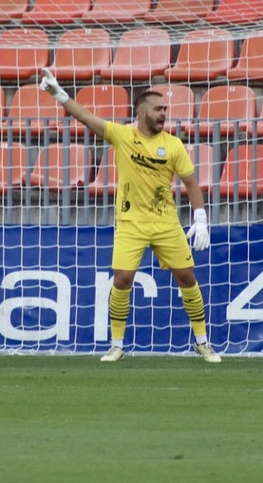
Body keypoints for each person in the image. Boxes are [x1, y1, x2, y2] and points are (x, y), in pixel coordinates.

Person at [39, 69, 220, 363]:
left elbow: (190, 183)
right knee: (122, 280)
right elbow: (86, 118)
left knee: (187, 277)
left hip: (166, 224)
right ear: (141, 112)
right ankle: (117, 344)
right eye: (158, 109)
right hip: (130, 224)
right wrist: (59, 95)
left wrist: (200, 218)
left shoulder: (173, 145)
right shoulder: (122, 136)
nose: (164, 114)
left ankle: (202, 342)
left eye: (165, 110)